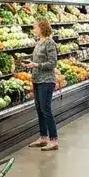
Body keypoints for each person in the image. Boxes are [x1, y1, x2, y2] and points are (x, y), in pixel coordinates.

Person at [24, 19, 58, 151]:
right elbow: (37, 60)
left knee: (46, 109)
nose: (34, 29)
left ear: (42, 28)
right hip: (37, 79)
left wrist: (37, 65)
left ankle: (53, 140)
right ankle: (43, 137)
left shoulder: (49, 42)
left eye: (35, 27)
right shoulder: (39, 42)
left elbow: (53, 63)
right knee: (39, 109)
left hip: (47, 80)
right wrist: (30, 64)